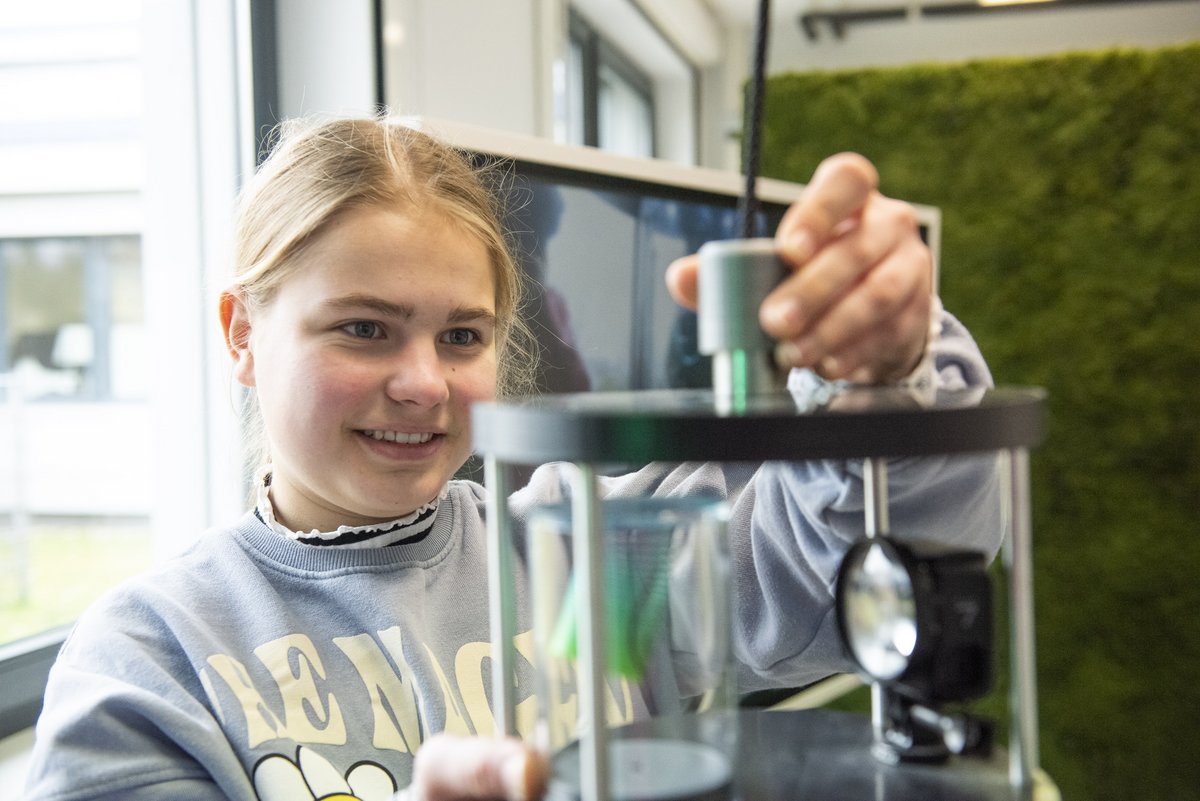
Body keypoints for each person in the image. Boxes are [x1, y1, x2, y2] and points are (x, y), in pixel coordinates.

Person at [24, 115, 1000, 801]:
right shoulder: (154, 663)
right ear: (241, 331)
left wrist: (889, 371)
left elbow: (869, 560)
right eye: (364, 329)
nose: (424, 383)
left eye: (462, 337)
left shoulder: (591, 553)